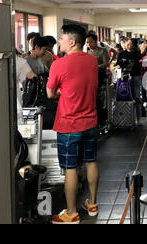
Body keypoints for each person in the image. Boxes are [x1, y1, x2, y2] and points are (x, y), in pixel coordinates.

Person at [47, 24, 99, 224]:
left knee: (70, 168)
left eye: (61, 38)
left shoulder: (59, 64)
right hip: (90, 122)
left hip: (69, 124)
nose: (59, 42)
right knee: (91, 161)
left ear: (71, 41)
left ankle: (71, 213)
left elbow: (50, 93)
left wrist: (62, 91)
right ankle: (92, 204)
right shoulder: (92, 61)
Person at [116, 38, 143, 126]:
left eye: (130, 43)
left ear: (134, 45)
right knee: (126, 96)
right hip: (125, 77)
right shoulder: (122, 53)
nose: (128, 44)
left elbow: (140, 62)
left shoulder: (137, 54)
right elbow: (118, 65)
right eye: (127, 43)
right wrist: (121, 64)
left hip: (136, 76)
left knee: (136, 97)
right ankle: (127, 118)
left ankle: (138, 119)